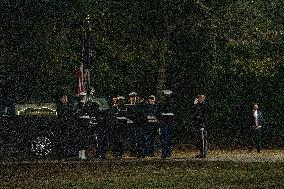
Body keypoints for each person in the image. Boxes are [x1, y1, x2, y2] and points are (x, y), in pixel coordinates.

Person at [158, 90, 175, 159]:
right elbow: (158, 113)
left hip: (169, 124)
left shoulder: (172, 104)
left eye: (168, 96)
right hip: (164, 124)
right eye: (166, 96)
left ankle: (167, 153)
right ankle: (164, 153)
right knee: (164, 138)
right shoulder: (161, 104)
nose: (167, 97)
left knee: (168, 139)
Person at [193, 94, 208, 158]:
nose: (200, 99)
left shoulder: (204, 105)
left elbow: (205, 116)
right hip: (197, 124)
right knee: (198, 140)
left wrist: (203, 125)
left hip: (202, 125)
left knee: (203, 140)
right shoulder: (198, 105)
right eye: (199, 97)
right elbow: (195, 114)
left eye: (202, 97)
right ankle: (201, 152)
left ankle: (203, 154)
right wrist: (195, 105)